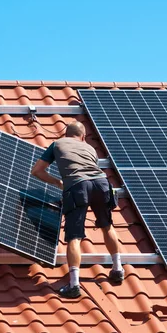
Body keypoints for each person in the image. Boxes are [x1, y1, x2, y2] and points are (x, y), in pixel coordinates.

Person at [31, 121, 124, 298]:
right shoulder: (89, 148)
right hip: (102, 183)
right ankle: (118, 268)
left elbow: (37, 171)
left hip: (78, 186)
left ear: (66, 134)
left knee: (74, 236)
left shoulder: (57, 144)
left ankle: (74, 285)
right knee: (107, 225)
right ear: (83, 136)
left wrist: (58, 183)